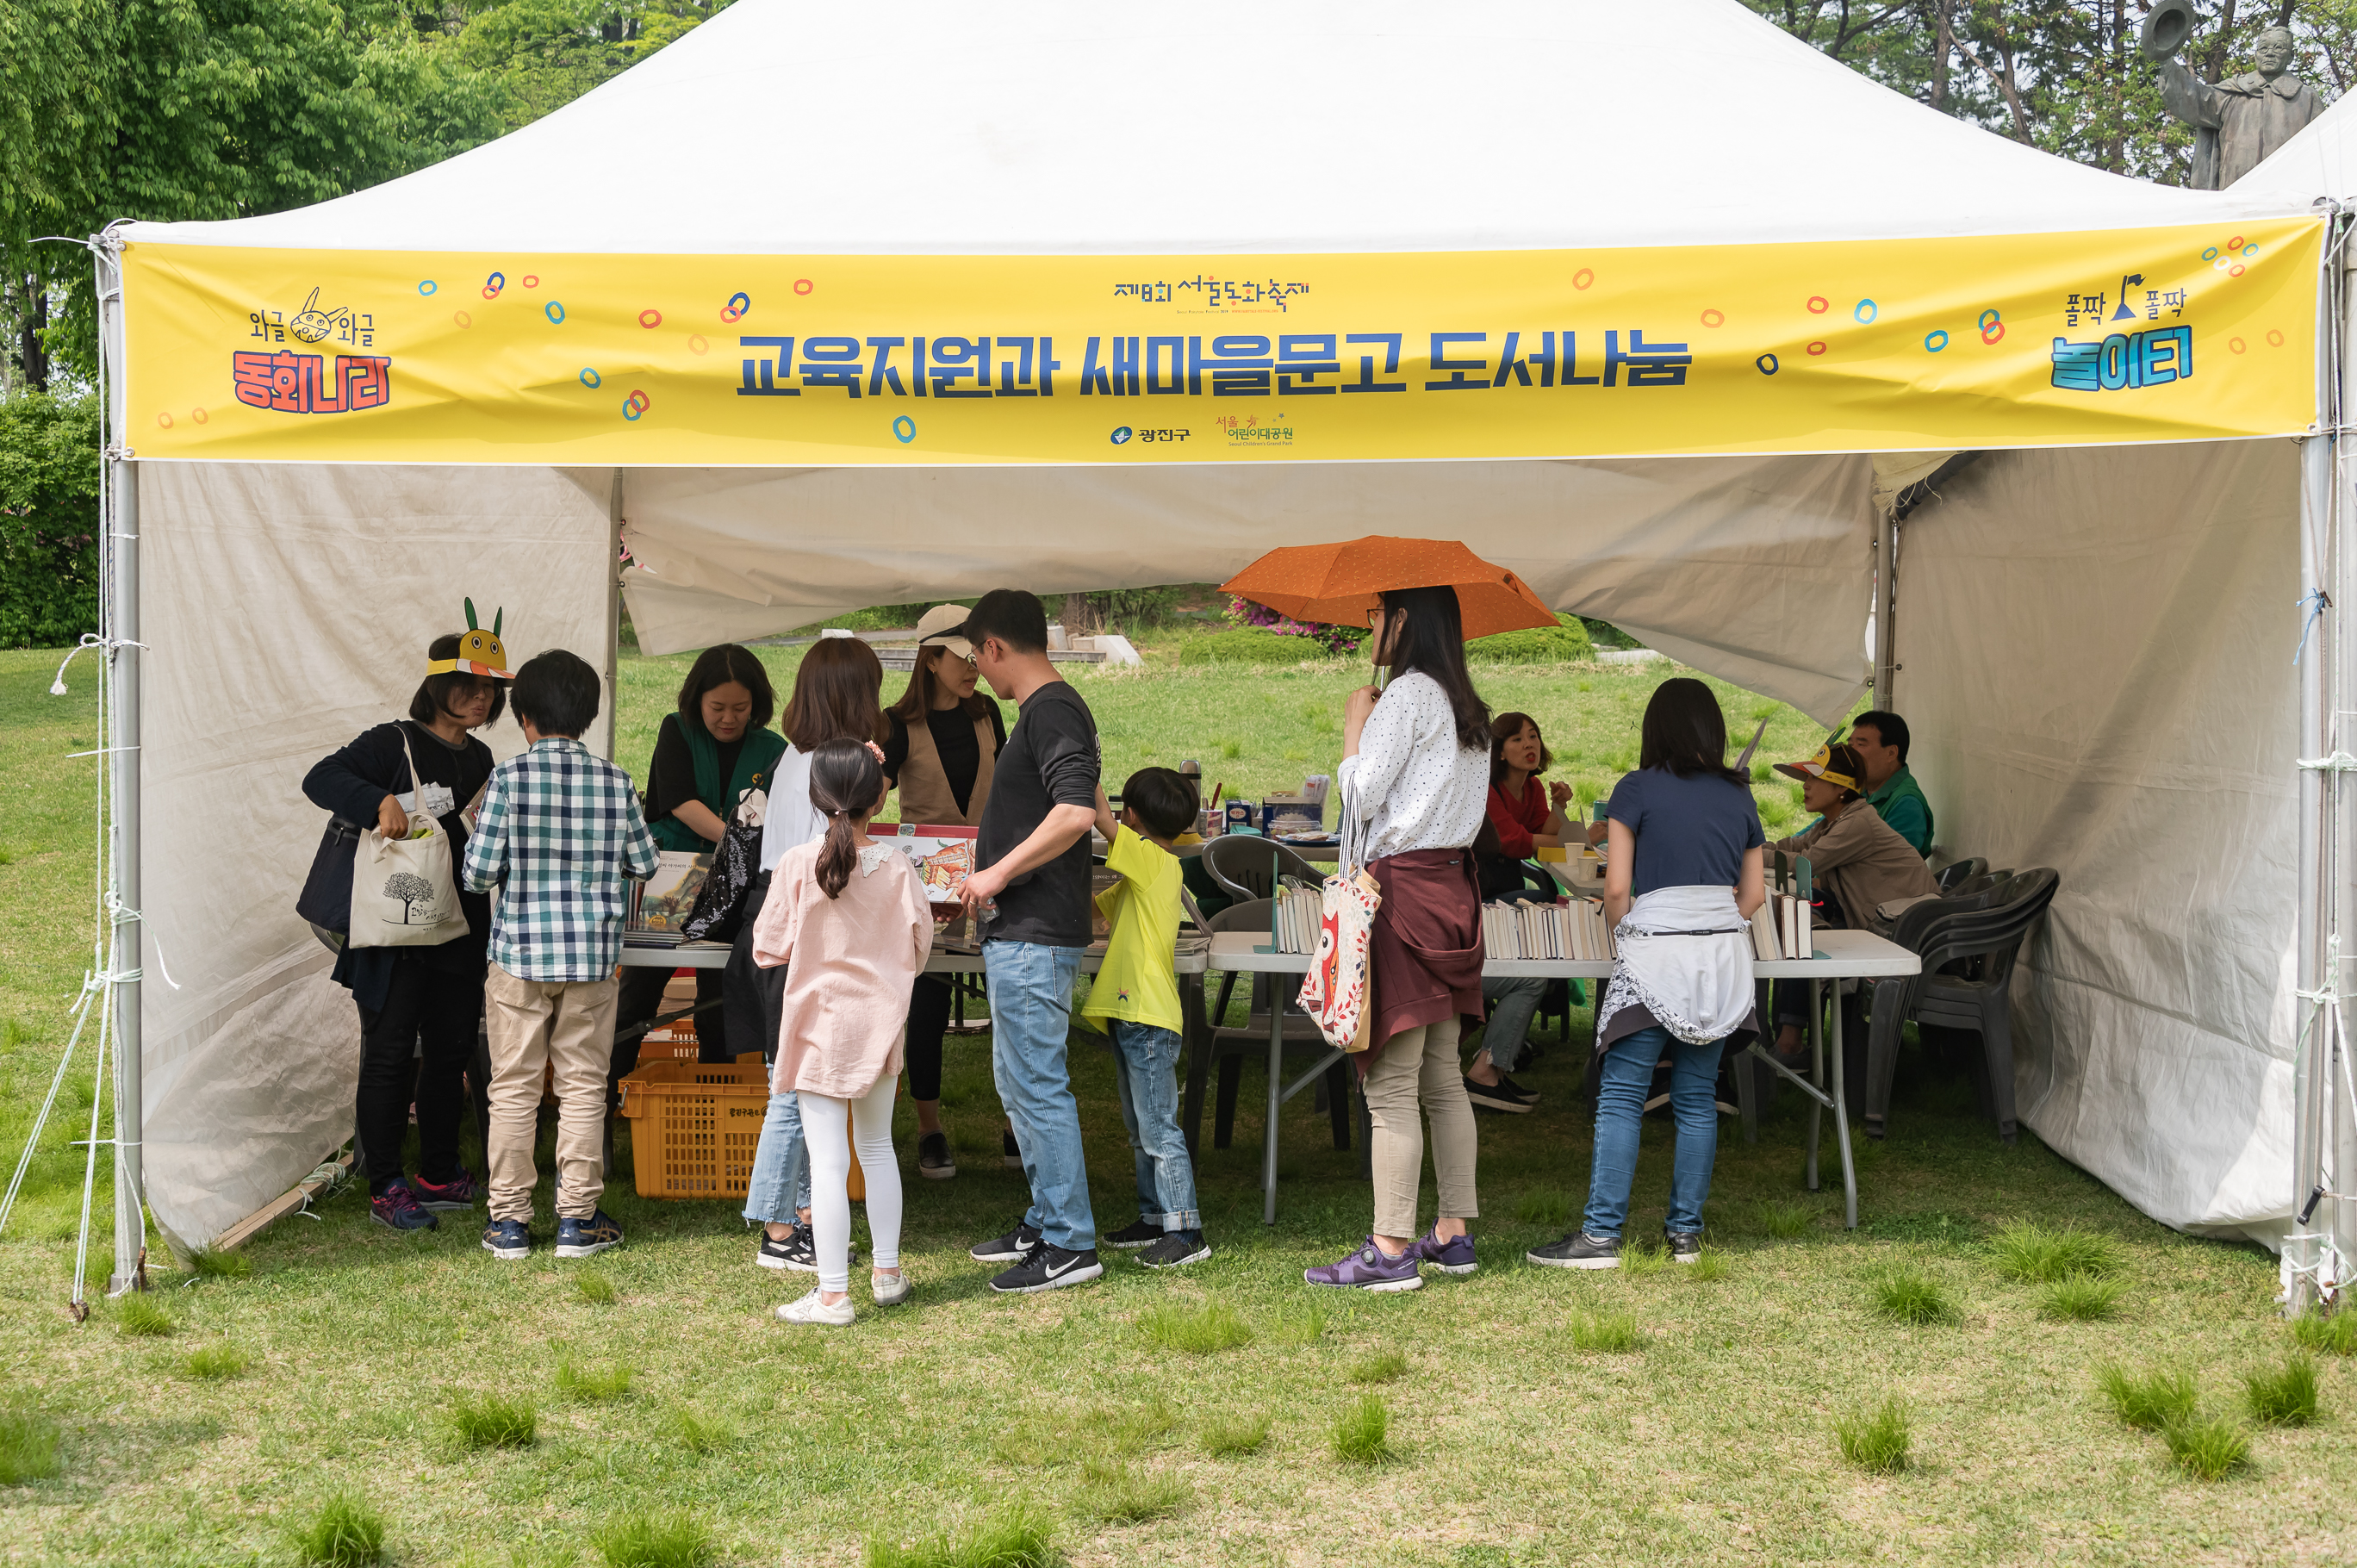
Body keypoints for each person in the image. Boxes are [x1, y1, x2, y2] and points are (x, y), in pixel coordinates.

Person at [1530, 678, 1764, 1271]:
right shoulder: (1740, 795)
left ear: (1653, 728)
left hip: (1653, 947)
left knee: (1621, 1095)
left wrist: (1636, 930)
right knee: (1696, 1098)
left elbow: (1615, 889)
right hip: (1721, 956)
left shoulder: (1635, 789)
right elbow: (1755, 894)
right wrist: (1711, 922)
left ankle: (1601, 1237)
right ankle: (1686, 1235)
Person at [1306, 585, 1491, 1292]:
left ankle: (1388, 1250)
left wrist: (1356, 726)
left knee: (1390, 1086)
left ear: (1404, 620)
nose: (1370, 625)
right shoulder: (1467, 706)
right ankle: (1452, 1233)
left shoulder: (1409, 695)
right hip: (1450, 894)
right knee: (1443, 1079)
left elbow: (1361, 796)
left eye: (1376, 614)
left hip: (1401, 894)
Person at [301, 629, 505, 1233]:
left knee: (449, 1051)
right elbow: (320, 777)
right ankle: (385, 1181)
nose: (480, 698)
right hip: (393, 928)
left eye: (490, 689)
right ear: (436, 684)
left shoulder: (482, 758)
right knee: (390, 1054)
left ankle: (439, 1173)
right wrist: (375, 802)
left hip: (459, 923)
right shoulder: (393, 742)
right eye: (467, 684)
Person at [460, 648, 659, 1261]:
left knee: (513, 1087)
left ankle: (510, 1224)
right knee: (582, 1087)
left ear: (524, 717)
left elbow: (478, 873)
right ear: (589, 716)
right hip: (593, 961)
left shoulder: (508, 780)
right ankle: (577, 1219)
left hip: (519, 957)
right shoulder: (616, 781)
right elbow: (646, 864)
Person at [955, 588, 1106, 1295]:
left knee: (1039, 1087)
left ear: (994, 648)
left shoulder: (1050, 708)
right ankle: (1047, 1220)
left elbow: (1076, 810)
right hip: (1023, 931)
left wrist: (995, 874)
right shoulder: (1046, 712)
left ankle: (1071, 1242)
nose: (979, 672)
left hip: (1035, 931)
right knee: (1017, 1082)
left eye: (977, 658)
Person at [754, 741, 935, 1325]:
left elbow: (766, 948)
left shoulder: (795, 865)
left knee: (827, 1162)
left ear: (815, 797)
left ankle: (832, 1295)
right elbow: (921, 947)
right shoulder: (898, 865)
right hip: (879, 1024)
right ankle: (887, 1273)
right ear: (879, 797)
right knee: (877, 1148)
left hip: (816, 1028)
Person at [737, 636, 889, 1273]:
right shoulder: (812, 768)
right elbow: (834, 862)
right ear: (857, 697)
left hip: (789, 922)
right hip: (796, 930)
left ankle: (800, 1218)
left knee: (800, 1087)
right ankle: (778, 1228)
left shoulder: (804, 761)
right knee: (793, 1089)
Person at [612, 644, 787, 1100]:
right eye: (717, 708)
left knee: (720, 1000)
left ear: (756, 705)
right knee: (637, 995)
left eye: (740, 708)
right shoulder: (677, 731)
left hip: (736, 893)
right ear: (697, 701)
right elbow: (680, 801)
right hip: (669, 887)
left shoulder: (774, 751)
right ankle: (605, 1098)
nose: (728, 718)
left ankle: (714, 1105)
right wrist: (736, 838)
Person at [881, 603, 1009, 1181]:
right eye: (962, 658)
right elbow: (868, 799)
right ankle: (930, 1130)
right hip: (922, 894)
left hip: (991, 880)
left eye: (977, 657)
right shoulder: (895, 724)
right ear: (930, 660)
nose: (974, 669)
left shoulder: (988, 715)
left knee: (1011, 1004)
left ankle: (1018, 1120)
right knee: (926, 1010)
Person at [1083, 766, 1211, 1268]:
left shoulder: (1153, 860)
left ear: (1132, 815)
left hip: (1148, 1016)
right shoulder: (1148, 874)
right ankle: (1153, 1217)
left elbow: (1100, 820)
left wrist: (1085, 767)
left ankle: (1185, 1228)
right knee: (1140, 1127)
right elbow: (1099, 910)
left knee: (1158, 1128)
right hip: (1128, 1011)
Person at [1763, 742, 1939, 1063]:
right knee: (1799, 927)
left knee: (1803, 936)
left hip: (1903, 935)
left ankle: (1789, 1045)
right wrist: (1754, 846)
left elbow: (1806, 861)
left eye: (1815, 779)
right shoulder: (1835, 821)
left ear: (1841, 788)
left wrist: (1746, 856)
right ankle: (1788, 1041)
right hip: (1879, 925)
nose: (1806, 786)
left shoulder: (1857, 823)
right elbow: (1792, 844)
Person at [1465, 711, 1571, 1116]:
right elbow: (1515, 842)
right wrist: (1576, 838)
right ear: (1499, 751)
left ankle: (1500, 1057)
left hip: (1505, 891)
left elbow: (1545, 834)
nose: (1530, 746)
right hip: (1484, 898)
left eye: (1534, 737)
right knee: (1556, 918)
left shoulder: (1533, 789)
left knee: (1551, 918)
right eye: (1517, 740)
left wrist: (1560, 809)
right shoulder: (1486, 788)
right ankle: (1496, 1061)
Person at [1845, 710, 1933, 857]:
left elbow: (1886, 866)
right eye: (1850, 745)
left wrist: (1823, 881)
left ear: (1891, 753)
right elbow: (1819, 830)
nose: (1849, 753)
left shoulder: (1907, 804)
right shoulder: (1858, 789)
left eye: (1860, 744)